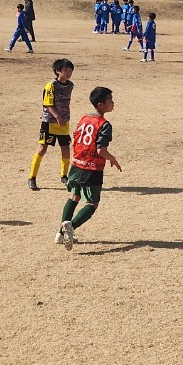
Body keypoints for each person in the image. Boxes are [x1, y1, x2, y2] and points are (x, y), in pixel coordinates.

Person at [57, 87, 122, 250]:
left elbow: (76, 137)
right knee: (93, 203)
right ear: (100, 105)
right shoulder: (104, 124)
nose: (113, 103)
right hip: (92, 168)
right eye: (110, 101)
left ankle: (60, 233)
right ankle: (71, 226)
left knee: (74, 196)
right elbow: (101, 150)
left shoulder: (84, 118)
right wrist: (112, 159)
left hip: (77, 164)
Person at [29, 58, 74, 190]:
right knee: (42, 148)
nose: (68, 73)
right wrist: (57, 116)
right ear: (57, 71)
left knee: (65, 150)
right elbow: (48, 104)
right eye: (65, 70)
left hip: (63, 123)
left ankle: (64, 176)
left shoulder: (70, 85)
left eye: (70, 70)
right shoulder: (51, 85)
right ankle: (32, 177)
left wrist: (63, 118)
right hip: (49, 122)